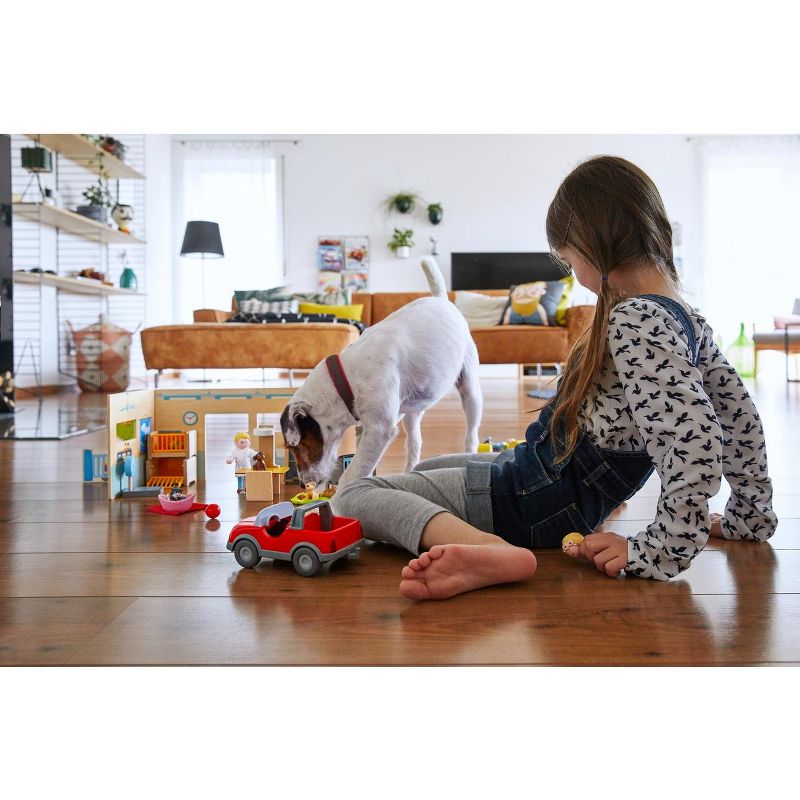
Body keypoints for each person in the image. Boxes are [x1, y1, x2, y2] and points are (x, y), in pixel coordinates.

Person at [332, 155, 778, 601]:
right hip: (546, 485)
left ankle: (489, 549)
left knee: (352, 498)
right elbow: (741, 423)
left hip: (536, 502)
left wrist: (660, 547)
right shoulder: (687, 320)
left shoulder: (634, 321)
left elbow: (692, 439)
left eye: (567, 260)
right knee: (428, 468)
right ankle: (487, 530)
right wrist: (749, 516)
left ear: (588, 245)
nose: (573, 274)